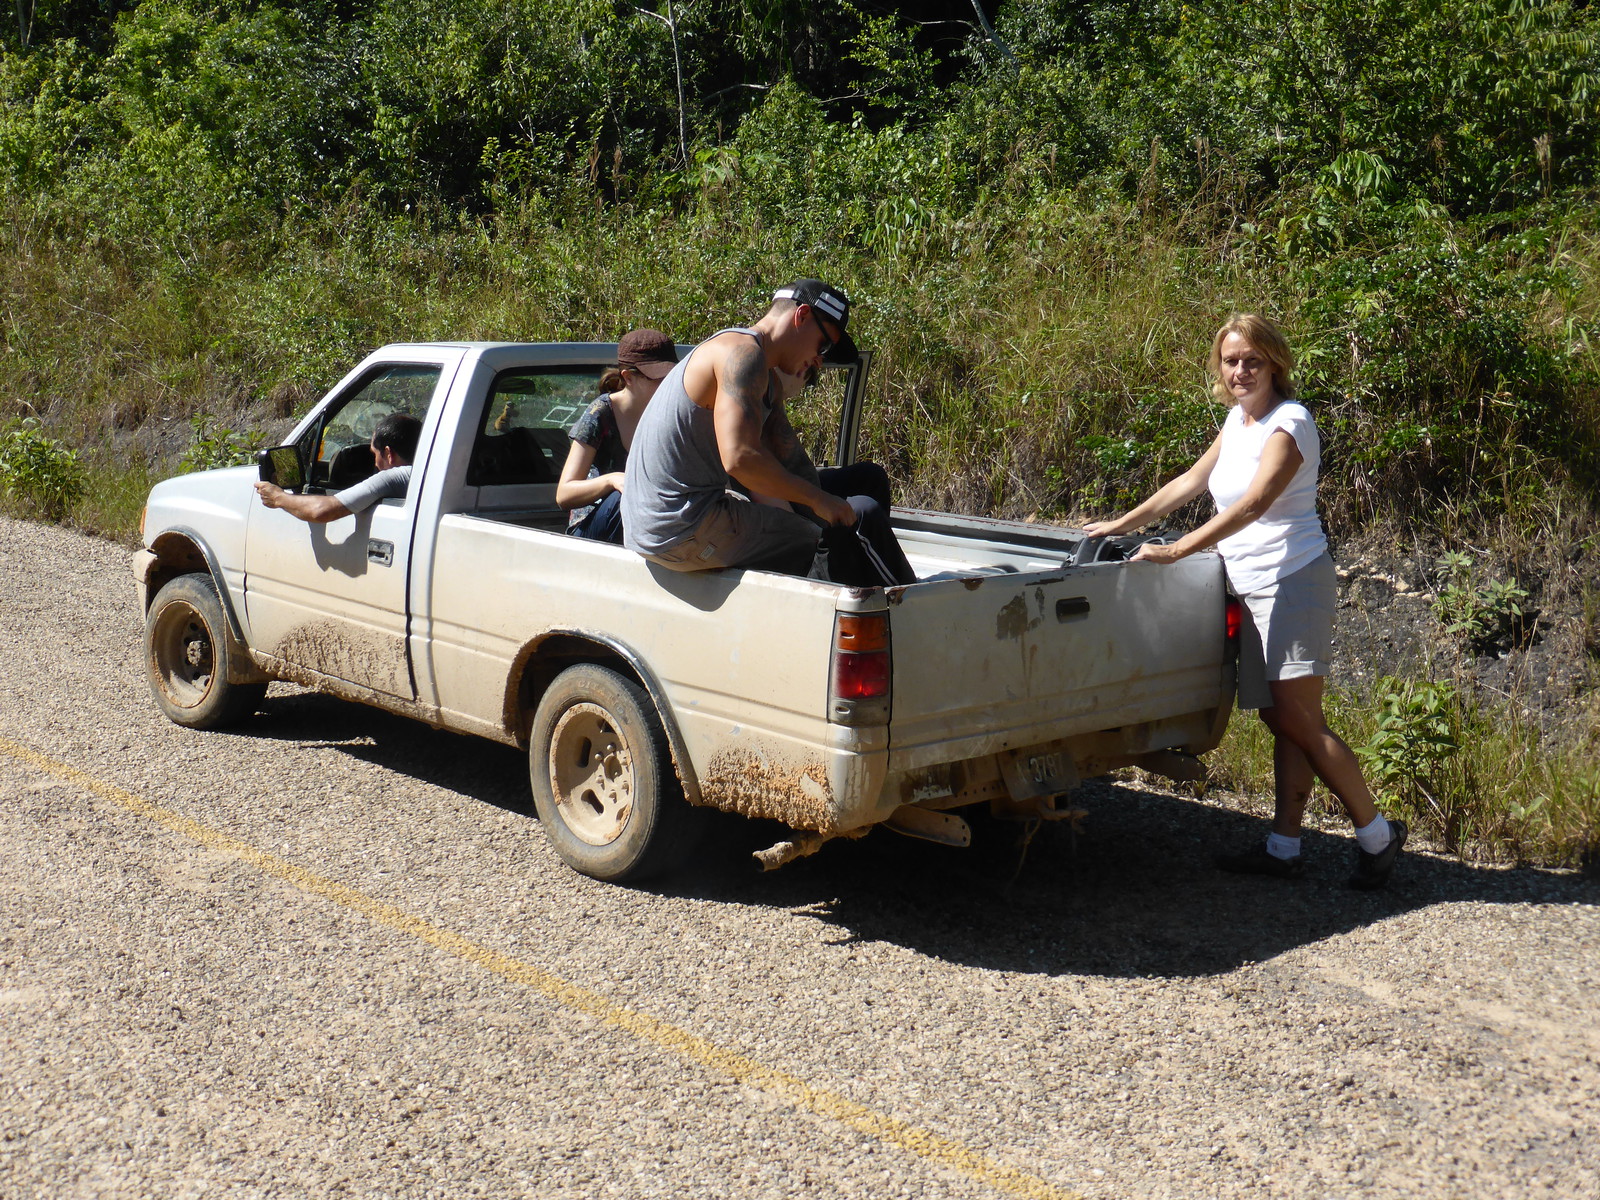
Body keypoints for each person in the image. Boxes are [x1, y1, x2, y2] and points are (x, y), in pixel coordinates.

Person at [1084, 314, 1407, 890]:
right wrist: (1119, 524)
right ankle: (1284, 848)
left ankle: (1378, 836)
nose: (1240, 371)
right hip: (1249, 583)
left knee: (1302, 720)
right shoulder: (1238, 422)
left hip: (1292, 581)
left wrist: (1176, 549)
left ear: (1275, 363)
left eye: (1251, 360)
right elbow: (1187, 483)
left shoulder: (1290, 422)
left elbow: (1256, 504)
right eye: (1231, 361)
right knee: (1278, 717)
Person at [620, 279, 859, 576]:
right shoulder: (742, 354)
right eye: (823, 345)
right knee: (825, 544)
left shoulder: (764, 375)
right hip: (679, 529)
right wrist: (820, 503)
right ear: (802, 316)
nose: (819, 360)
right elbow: (740, 458)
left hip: (665, 525)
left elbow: (792, 459)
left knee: (855, 502)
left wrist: (831, 509)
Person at [761, 367, 915, 587]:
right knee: (862, 511)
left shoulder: (771, 391)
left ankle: (865, 566)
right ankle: (905, 594)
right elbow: (757, 483)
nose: (817, 360)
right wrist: (809, 523)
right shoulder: (751, 386)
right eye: (808, 365)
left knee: (870, 476)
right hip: (775, 499)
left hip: (792, 484)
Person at [556, 329, 679, 542]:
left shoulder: (671, 412)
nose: (667, 385)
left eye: (671, 377)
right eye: (658, 378)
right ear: (629, 377)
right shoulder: (601, 412)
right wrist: (612, 480)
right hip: (593, 528)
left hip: (649, 525)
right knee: (626, 495)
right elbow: (564, 495)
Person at [254, 413, 422, 524]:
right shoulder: (430, 475)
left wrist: (277, 497)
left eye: (375, 454)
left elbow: (322, 511)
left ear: (388, 453)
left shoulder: (397, 477)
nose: (376, 464)